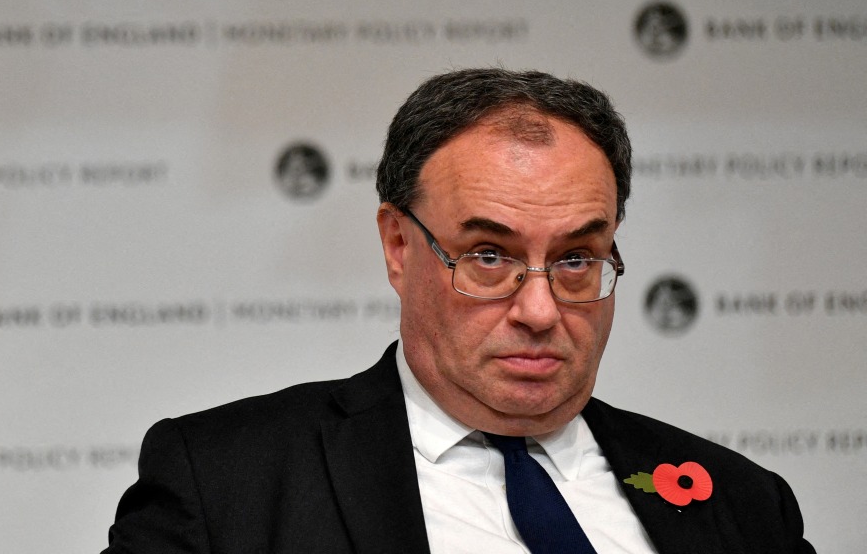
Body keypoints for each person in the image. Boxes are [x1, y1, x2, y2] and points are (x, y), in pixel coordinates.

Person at [103, 68, 814, 553]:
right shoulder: (229, 481)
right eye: (488, 257)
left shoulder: (740, 503)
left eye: (574, 260)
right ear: (397, 245)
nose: (539, 309)